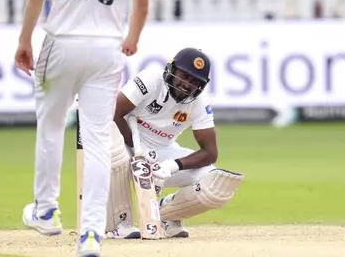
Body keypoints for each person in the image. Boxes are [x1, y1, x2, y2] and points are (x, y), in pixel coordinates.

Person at [14, 0, 150, 256]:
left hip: (63, 41)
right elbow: (141, 1)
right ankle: (91, 234)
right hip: (107, 48)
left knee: (51, 124)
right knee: (96, 138)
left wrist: (25, 39)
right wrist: (132, 39)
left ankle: (45, 211)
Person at [104, 48, 244, 239]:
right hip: (127, 144)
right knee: (114, 150)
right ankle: (118, 223)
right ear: (172, 69)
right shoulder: (151, 79)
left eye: (195, 82)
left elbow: (210, 153)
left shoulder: (198, 102)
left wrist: (172, 165)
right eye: (184, 76)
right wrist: (140, 153)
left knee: (215, 186)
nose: (187, 85)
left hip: (160, 154)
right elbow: (114, 112)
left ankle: (167, 215)